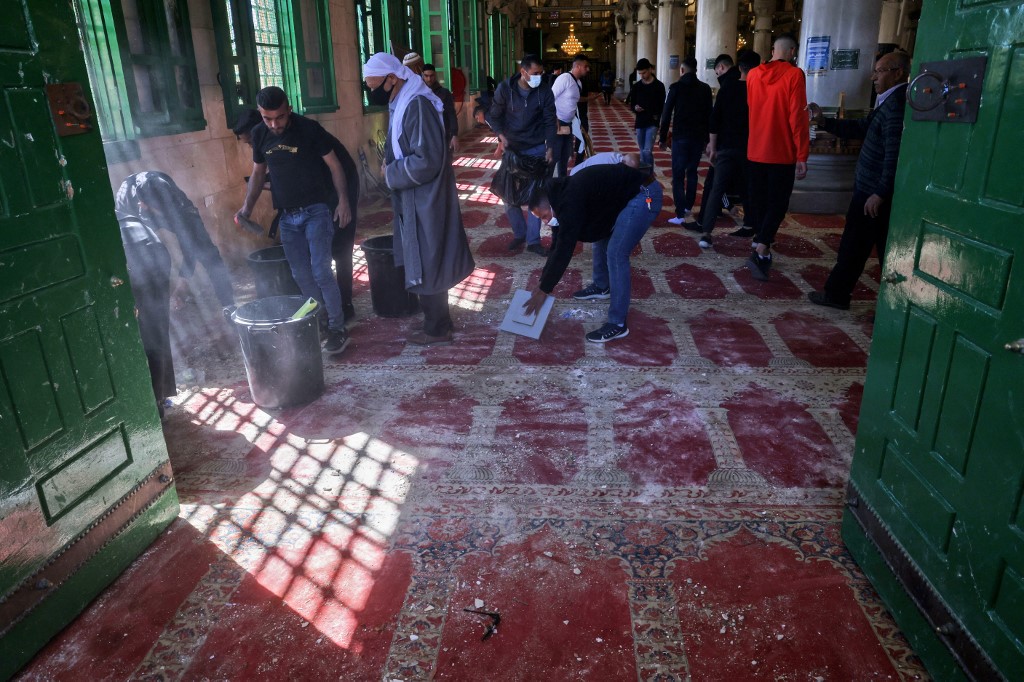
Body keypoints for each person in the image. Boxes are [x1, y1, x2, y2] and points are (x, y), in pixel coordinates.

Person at [362, 53, 475, 345]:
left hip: (425, 196)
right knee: (424, 257)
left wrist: (391, 173)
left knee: (428, 259)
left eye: (373, 85)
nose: (371, 92)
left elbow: (427, 160)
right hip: (414, 194)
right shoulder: (402, 100)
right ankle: (436, 322)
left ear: (392, 79)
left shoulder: (417, 105)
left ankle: (437, 328)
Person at [237, 86, 352, 354]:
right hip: (287, 218)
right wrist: (246, 208)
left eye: (279, 117)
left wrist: (343, 201)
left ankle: (338, 328)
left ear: (289, 109)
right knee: (301, 274)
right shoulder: (258, 134)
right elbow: (257, 175)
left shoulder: (309, 129)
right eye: (267, 118)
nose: (274, 124)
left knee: (321, 271)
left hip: (316, 211)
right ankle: (319, 322)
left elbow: (335, 165)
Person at [807, 51, 910, 310]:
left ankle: (841, 296)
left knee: (859, 248)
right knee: (867, 249)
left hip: (873, 195)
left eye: (881, 70)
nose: (874, 76)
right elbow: (861, 127)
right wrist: (824, 122)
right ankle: (846, 297)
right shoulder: (888, 102)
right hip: (871, 190)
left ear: (898, 72)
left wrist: (880, 192)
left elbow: (894, 155)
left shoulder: (896, 106)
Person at [523, 162, 663, 343]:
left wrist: (544, 290)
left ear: (550, 206)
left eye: (544, 216)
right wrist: (543, 282)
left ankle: (618, 324)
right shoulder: (558, 198)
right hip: (623, 197)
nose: (545, 222)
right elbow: (557, 246)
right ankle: (602, 285)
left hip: (643, 195)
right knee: (600, 238)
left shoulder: (569, 200)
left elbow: (565, 249)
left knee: (616, 254)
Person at [116, 171, 236, 311]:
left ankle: (229, 306)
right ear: (142, 205)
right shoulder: (125, 205)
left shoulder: (178, 205)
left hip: (180, 212)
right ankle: (145, 311)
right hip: (137, 217)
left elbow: (190, 247)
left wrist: (181, 287)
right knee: (140, 262)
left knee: (209, 255)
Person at [744, 34, 809, 281]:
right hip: (781, 151)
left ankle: (759, 241)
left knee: (759, 200)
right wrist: (802, 153)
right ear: (792, 51)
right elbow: (798, 118)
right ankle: (761, 249)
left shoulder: (752, 75)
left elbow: (753, 108)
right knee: (778, 203)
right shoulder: (794, 75)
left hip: (756, 148)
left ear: (773, 50)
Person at [114, 178, 176, 415]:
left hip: (140, 259)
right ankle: (159, 398)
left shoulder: (112, 217)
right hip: (156, 253)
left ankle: (153, 406)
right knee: (157, 332)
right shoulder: (126, 215)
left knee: (141, 334)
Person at [486, 54, 557, 256]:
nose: (539, 77)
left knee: (536, 194)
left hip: (535, 147)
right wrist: (500, 135)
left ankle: (533, 241)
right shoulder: (505, 89)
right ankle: (520, 233)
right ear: (523, 72)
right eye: (535, 73)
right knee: (507, 193)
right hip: (512, 148)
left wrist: (550, 146)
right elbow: (494, 115)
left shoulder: (544, 91)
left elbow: (550, 120)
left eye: (541, 73)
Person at [695, 50, 761, 248]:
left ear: (739, 67)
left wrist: (712, 146)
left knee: (717, 188)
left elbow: (715, 120)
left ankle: (706, 233)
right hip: (751, 149)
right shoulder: (759, 89)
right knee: (750, 189)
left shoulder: (727, 87)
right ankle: (755, 229)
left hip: (726, 147)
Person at [658, 56, 712, 225]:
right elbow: (709, 115)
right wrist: (708, 139)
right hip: (697, 137)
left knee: (678, 175)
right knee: (692, 172)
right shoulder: (705, 88)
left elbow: (666, 114)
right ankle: (688, 206)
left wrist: (662, 137)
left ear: (681, 70)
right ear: (696, 69)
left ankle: (680, 213)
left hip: (680, 137)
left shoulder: (675, 87)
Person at [551, 54, 589, 177]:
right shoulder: (564, 78)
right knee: (553, 155)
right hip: (557, 123)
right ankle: (546, 185)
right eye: (585, 66)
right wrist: (554, 119)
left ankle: (562, 182)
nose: (588, 69)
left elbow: (574, 101)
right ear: (577, 66)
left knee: (565, 155)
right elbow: (550, 99)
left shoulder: (578, 82)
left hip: (569, 123)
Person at [625, 58, 665, 167]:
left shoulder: (659, 86)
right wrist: (635, 108)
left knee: (647, 150)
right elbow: (632, 104)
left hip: (652, 121)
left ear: (650, 70)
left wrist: (647, 108)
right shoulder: (637, 86)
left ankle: (648, 174)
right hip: (640, 121)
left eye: (644, 73)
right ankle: (645, 174)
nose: (642, 76)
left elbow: (661, 106)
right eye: (640, 73)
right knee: (642, 150)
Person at [421, 63, 460, 154]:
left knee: (445, 162)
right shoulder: (418, 93)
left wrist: (454, 135)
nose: (429, 79)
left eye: (431, 76)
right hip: (425, 135)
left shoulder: (444, 93)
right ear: (422, 75)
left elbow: (451, 114)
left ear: (435, 75)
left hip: (443, 134)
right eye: (426, 76)